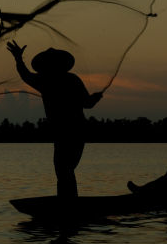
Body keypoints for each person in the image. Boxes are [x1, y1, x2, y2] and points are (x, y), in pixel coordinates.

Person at [7, 40, 102, 197]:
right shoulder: (67, 79)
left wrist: (18, 59)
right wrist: (95, 98)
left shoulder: (47, 81)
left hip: (72, 131)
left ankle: (67, 203)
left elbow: (25, 74)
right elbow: (88, 104)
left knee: (63, 168)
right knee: (64, 169)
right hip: (71, 131)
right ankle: (68, 202)